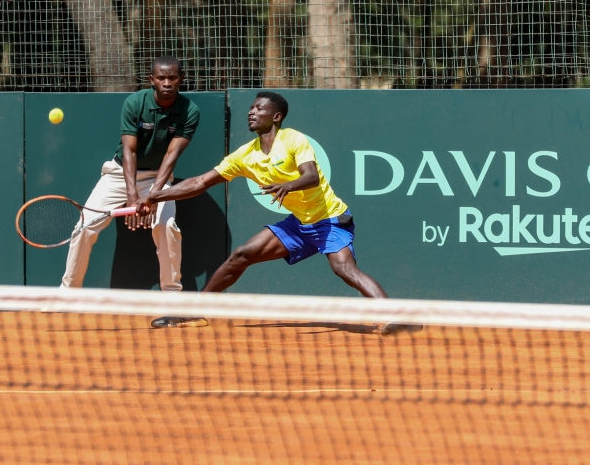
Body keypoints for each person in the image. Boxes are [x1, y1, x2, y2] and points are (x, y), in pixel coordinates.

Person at [138, 91, 404, 332]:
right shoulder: (246, 155)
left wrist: (289, 185)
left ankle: (393, 316)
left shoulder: (293, 139)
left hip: (330, 220)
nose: (251, 112)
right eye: (251, 108)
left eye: (259, 108)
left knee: (344, 269)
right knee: (242, 255)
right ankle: (196, 312)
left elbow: (312, 177)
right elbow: (200, 183)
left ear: (276, 116)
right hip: (299, 224)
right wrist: (154, 195)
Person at [60, 56, 199, 292]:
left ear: (181, 79)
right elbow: (129, 151)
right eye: (161, 78)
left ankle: (172, 296)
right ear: (151, 80)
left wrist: (153, 196)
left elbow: (170, 156)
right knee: (85, 226)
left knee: (166, 226)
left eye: (172, 77)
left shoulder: (190, 110)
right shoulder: (135, 103)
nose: (167, 83)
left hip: (158, 177)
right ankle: (68, 293)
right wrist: (133, 196)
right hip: (120, 174)